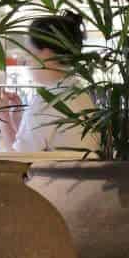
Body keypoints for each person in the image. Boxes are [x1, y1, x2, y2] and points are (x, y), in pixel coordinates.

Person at [12, 12, 95, 155]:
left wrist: (2, 119)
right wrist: (19, 120)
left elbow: (16, 164)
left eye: (28, 52)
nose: (25, 61)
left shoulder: (49, 100)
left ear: (46, 54)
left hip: (53, 177)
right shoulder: (79, 93)